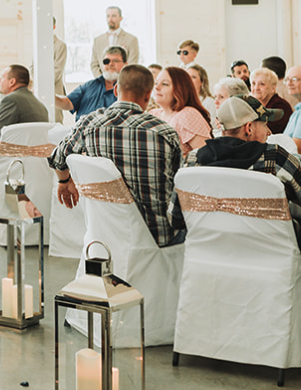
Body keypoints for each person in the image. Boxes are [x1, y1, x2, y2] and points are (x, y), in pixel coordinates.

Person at [192, 96, 301, 296]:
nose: (269, 131)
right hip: (269, 248)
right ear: (249, 128)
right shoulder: (273, 157)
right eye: (264, 124)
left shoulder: (194, 159)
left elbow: (177, 216)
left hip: (215, 250)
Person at [50, 65, 185, 248]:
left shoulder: (89, 123)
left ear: (115, 90)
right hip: (156, 238)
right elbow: (178, 185)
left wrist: (64, 182)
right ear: (148, 95)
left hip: (103, 237)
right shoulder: (164, 133)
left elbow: (58, 158)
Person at [155, 66, 213, 155]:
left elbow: (206, 156)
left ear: (180, 89)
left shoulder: (187, 114)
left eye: (165, 84)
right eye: (156, 83)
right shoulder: (154, 113)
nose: (157, 87)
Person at [58, 46, 125, 120]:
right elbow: (68, 102)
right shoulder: (89, 86)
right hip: (82, 130)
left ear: (125, 64)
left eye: (115, 61)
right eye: (107, 61)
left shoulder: (128, 90)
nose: (110, 64)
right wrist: (51, 97)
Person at [90, 6, 141, 75]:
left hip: (123, 82)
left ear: (121, 18)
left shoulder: (132, 40)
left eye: (113, 16)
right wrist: (102, 81)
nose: (110, 19)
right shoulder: (97, 40)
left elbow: (132, 64)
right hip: (102, 83)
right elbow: (94, 65)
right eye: (108, 16)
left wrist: (121, 81)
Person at [251, 68, 294, 135]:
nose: (256, 88)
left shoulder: (280, 106)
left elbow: (262, 133)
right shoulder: (256, 105)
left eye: (262, 84)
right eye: (253, 83)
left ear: (273, 88)